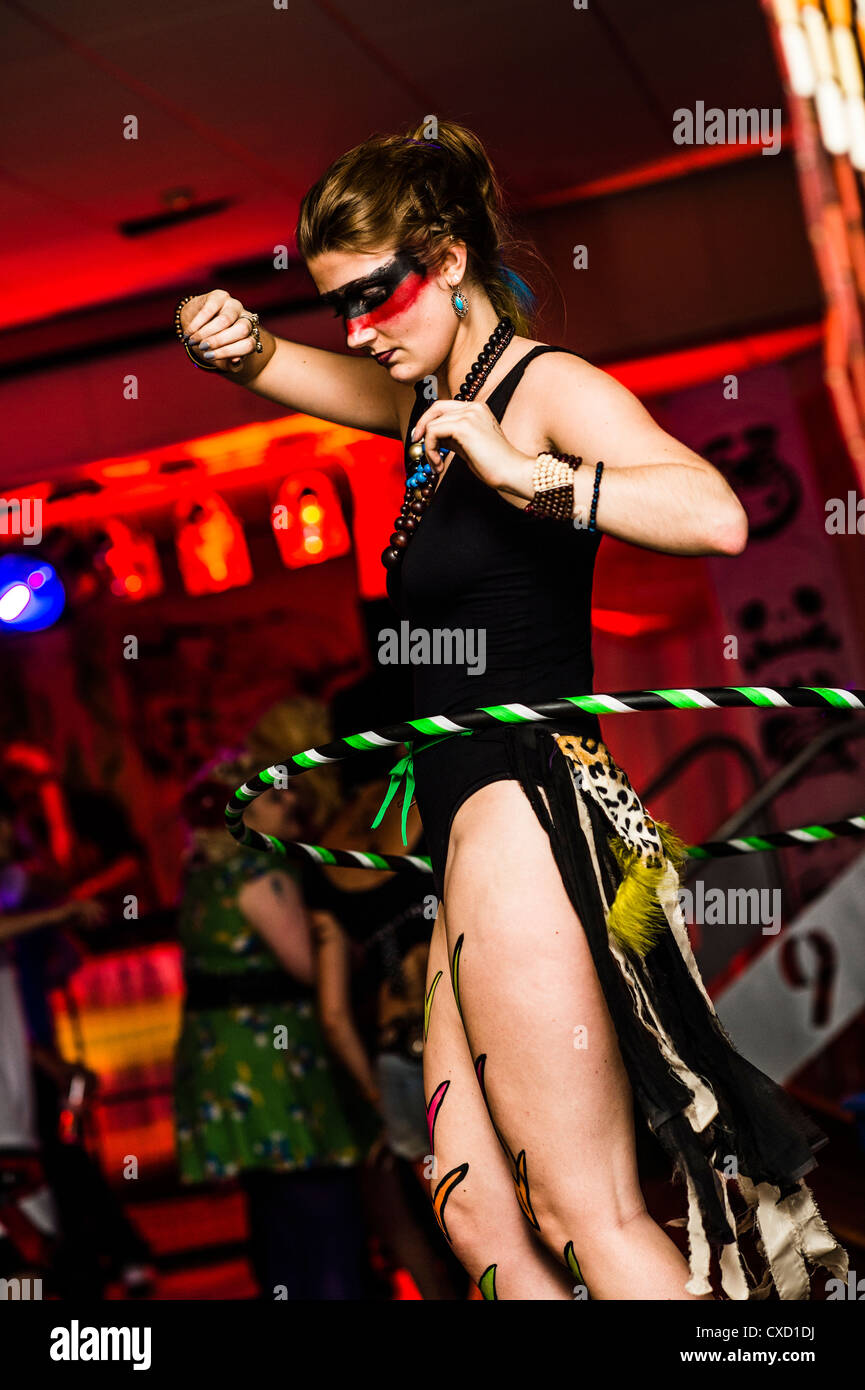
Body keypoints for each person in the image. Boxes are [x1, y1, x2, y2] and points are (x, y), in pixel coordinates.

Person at [173, 120, 847, 1301]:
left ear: (441, 258)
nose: (357, 330)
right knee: (476, 1205)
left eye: (372, 297)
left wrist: (530, 472)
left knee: (587, 1212)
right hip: (466, 827)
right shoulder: (433, 399)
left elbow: (715, 514)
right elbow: (290, 368)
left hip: (525, 808)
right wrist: (233, 345)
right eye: (338, 305)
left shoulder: (536, 391)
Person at [173, 715, 379, 1301]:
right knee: (325, 1210)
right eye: (275, 793)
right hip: (273, 1066)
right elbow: (309, 969)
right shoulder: (258, 870)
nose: (291, 800)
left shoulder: (202, 875)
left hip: (223, 1061)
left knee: (276, 1212)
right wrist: (343, 944)